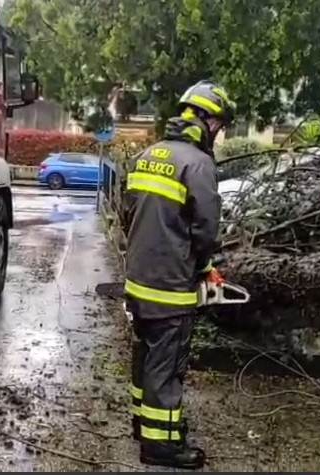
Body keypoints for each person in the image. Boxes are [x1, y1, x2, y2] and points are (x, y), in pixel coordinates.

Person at [123, 80, 235, 469]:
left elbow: (129, 214)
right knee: (166, 365)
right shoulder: (199, 164)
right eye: (219, 125)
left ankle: (144, 423)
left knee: (145, 355)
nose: (218, 133)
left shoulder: (148, 154)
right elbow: (205, 231)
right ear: (205, 119)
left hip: (138, 281)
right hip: (171, 287)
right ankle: (162, 445)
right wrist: (205, 269)